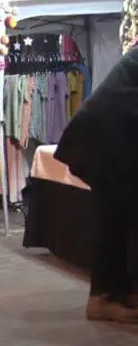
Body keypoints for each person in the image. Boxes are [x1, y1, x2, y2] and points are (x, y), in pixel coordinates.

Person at [54, 46, 138, 323]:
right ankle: (104, 299)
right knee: (117, 217)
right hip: (107, 140)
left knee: (117, 218)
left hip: (106, 137)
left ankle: (116, 293)